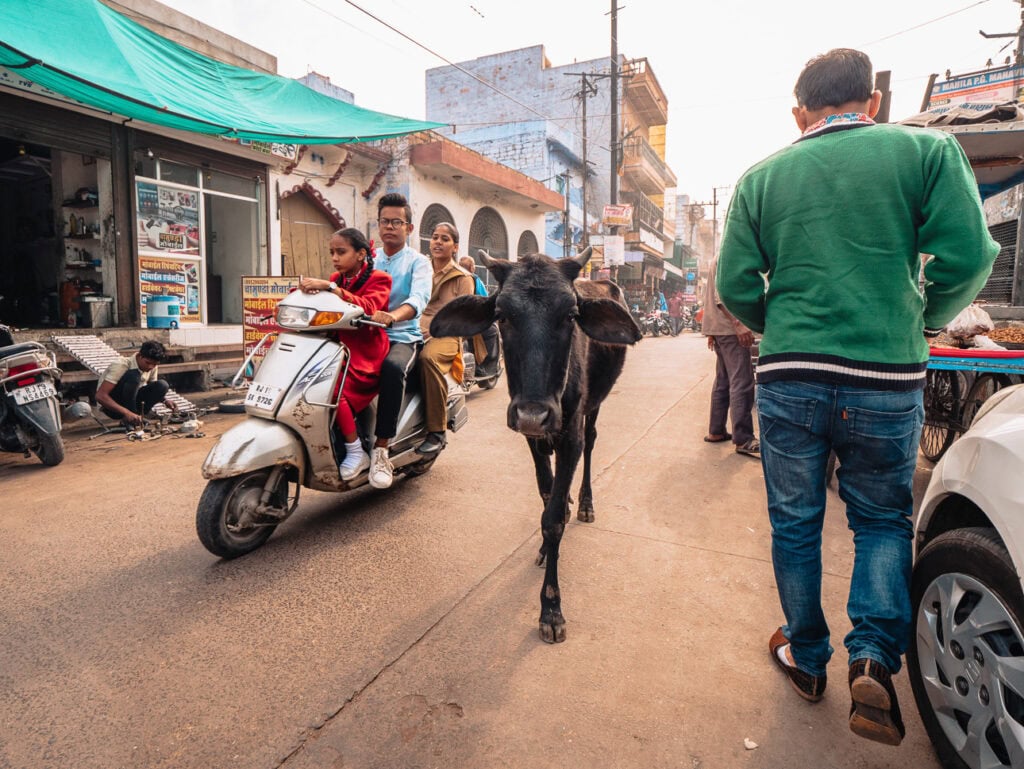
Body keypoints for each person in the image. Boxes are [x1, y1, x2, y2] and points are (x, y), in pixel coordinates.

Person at [717, 48, 999, 747]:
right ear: (870, 102)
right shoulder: (926, 153)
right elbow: (971, 256)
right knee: (880, 519)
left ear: (799, 113)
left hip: (790, 376)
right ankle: (872, 654)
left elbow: (734, 281)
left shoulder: (762, 176)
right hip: (886, 375)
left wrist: (773, 321)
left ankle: (807, 658)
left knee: (796, 522)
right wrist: (924, 318)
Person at [298, 228, 391, 481]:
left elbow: (371, 307)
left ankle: (355, 450)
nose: (335, 258)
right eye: (332, 252)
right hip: (336, 347)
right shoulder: (336, 279)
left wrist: (330, 287)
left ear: (361, 254)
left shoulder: (380, 279)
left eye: (341, 252)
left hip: (365, 351)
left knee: (333, 390)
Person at [365, 193, 432, 489]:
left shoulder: (419, 262)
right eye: (384, 221)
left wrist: (393, 316)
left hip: (402, 336)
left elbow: (418, 299)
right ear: (377, 225)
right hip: (366, 334)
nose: (390, 227)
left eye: (396, 222)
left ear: (409, 228)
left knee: (392, 369)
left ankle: (381, 448)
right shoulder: (369, 259)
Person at [415, 223, 475, 454]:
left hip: (446, 336)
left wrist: (436, 330)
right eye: (435, 237)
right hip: (411, 329)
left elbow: (464, 318)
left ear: (455, 246)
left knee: (428, 359)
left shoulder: (463, 277)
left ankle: (437, 431)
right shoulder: (420, 269)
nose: (438, 242)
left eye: (445, 239)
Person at [702, 258, 758, 457]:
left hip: (719, 329)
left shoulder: (718, 257)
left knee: (724, 381)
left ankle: (716, 431)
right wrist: (738, 324)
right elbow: (720, 297)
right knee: (742, 381)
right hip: (729, 330)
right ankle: (743, 438)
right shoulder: (728, 255)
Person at [96, 340, 176, 426]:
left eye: (154, 364)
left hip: (133, 402)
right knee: (134, 376)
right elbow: (100, 396)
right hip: (112, 408)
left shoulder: (152, 366)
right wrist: (127, 413)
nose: (150, 367)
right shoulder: (121, 365)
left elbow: (152, 388)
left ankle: (137, 417)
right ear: (140, 356)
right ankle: (130, 417)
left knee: (162, 385)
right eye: (148, 363)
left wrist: (165, 401)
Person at [458, 255, 499, 376]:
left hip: (452, 319)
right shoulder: (474, 279)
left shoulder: (453, 277)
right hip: (467, 321)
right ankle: (482, 366)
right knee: (492, 331)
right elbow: (485, 300)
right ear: (472, 267)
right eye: (474, 265)